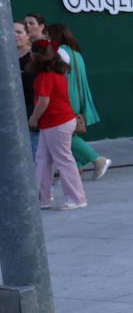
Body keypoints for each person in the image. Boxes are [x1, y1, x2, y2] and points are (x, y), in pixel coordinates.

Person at [43, 22, 111, 180]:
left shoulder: (59, 52)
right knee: (67, 134)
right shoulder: (75, 53)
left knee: (65, 135)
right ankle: (76, 167)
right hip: (76, 96)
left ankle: (98, 160)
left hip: (65, 97)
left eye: (48, 35)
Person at [28, 42, 87, 211]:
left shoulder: (45, 76)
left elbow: (43, 101)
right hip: (57, 121)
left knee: (61, 160)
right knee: (43, 159)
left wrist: (33, 119)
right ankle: (42, 199)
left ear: (36, 55)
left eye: (32, 52)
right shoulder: (56, 73)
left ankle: (76, 198)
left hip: (56, 121)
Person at [15, 20, 38, 156]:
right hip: (13, 111)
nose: (15, 35)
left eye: (19, 32)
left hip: (32, 108)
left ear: (28, 35)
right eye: (11, 32)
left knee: (34, 150)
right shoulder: (5, 56)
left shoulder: (33, 56)